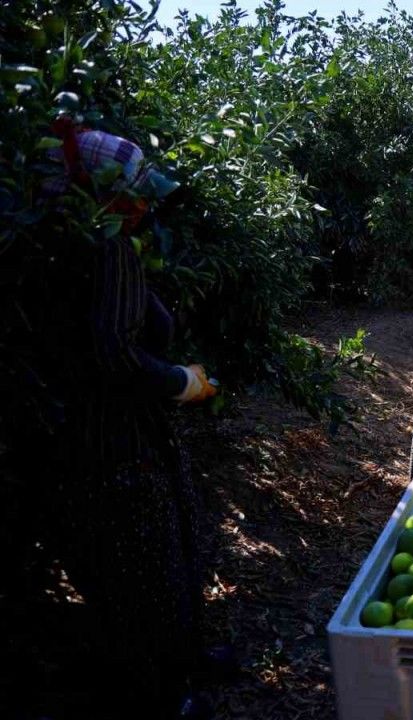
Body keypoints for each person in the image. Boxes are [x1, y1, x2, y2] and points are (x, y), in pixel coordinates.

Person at [37, 119, 220, 718]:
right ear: (102, 193)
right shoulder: (105, 245)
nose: (145, 207)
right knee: (142, 562)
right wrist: (179, 383)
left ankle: (182, 660)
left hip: (99, 429)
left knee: (162, 543)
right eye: (135, 194)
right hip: (110, 437)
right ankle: (159, 692)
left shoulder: (62, 238)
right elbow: (112, 353)